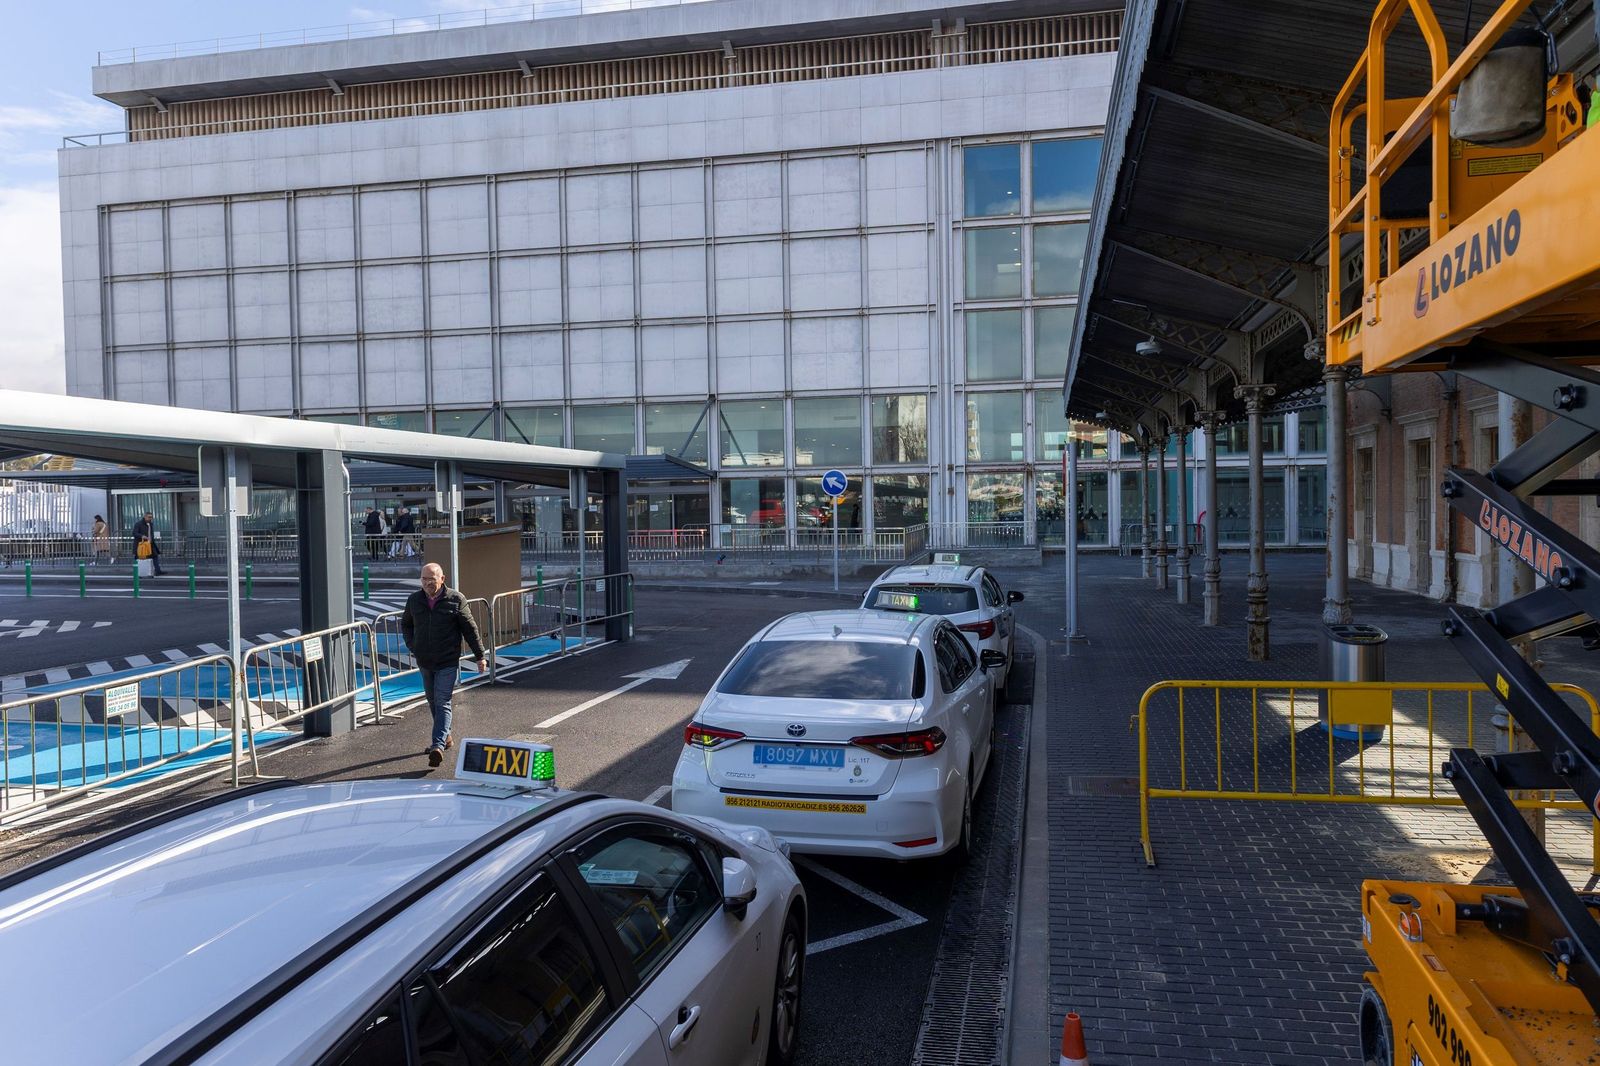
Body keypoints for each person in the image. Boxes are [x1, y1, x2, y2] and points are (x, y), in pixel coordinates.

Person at [401, 563, 487, 768]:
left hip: (447, 661)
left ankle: (437, 745)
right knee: (432, 701)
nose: (427, 583)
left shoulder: (456, 599)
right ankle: (446, 737)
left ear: (442, 578)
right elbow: (406, 624)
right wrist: (413, 645)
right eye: (424, 579)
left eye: (432, 579)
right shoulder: (414, 600)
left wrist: (480, 656)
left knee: (442, 700)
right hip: (425, 660)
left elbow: (470, 628)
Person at [132, 511, 165, 575]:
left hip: (150, 543)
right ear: (145, 517)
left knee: (155, 556)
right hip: (141, 545)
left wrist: (151, 540)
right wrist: (142, 536)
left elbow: (151, 533)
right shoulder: (138, 524)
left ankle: (158, 571)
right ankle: (138, 571)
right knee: (139, 558)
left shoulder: (150, 524)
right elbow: (134, 533)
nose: (150, 518)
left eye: (151, 517)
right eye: (149, 517)